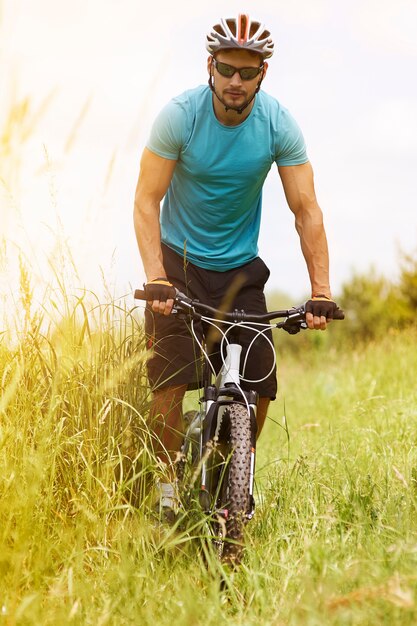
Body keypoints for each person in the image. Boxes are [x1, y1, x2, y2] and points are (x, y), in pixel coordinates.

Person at [134, 14, 340, 513]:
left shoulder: (278, 125)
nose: (235, 81)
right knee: (171, 380)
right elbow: (146, 199)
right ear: (210, 66)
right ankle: (165, 491)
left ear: (262, 74)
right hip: (178, 266)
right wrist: (156, 278)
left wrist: (322, 291)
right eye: (227, 69)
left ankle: (235, 480)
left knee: (261, 379)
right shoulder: (180, 116)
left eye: (248, 72)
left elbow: (306, 209)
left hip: (240, 270)